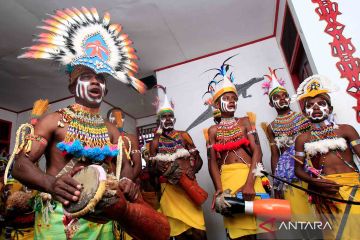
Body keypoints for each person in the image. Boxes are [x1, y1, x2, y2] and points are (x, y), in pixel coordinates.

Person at [10, 7, 169, 240]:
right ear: (72, 87)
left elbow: (125, 169)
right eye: (86, 76)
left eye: (101, 78)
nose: (95, 81)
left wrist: (127, 182)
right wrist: (50, 183)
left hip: (104, 219)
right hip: (59, 218)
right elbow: (20, 164)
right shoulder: (53, 120)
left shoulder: (113, 130)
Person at [294, 75, 360, 239]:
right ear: (304, 112)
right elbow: (298, 170)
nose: (315, 107)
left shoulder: (346, 130)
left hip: (354, 186)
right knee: (339, 233)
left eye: (321, 104)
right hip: (326, 192)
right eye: (310, 105)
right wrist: (316, 182)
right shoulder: (302, 139)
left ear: (329, 109)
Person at [207, 59, 267, 239]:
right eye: (226, 98)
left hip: (252, 176)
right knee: (240, 233)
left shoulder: (245, 122)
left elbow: (258, 151)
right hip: (228, 180)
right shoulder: (213, 130)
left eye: (234, 98)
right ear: (217, 105)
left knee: (265, 230)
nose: (232, 101)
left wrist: (249, 184)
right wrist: (219, 189)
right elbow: (212, 163)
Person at [149, 85, 207, 240]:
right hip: (169, 193)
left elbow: (199, 160)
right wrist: (158, 167)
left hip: (189, 191)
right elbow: (151, 171)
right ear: (159, 121)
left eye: (170, 116)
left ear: (174, 119)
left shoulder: (184, 135)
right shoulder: (155, 142)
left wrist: (192, 171)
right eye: (164, 117)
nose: (167, 119)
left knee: (199, 233)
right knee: (179, 235)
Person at [263, 68, 315, 221]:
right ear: (271, 103)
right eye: (277, 97)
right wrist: (277, 182)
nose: (282, 99)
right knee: (300, 214)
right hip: (288, 171)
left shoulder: (304, 117)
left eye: (285, 95)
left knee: (319, 209)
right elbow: (275, 154)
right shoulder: (271, 127)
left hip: (310, 165)